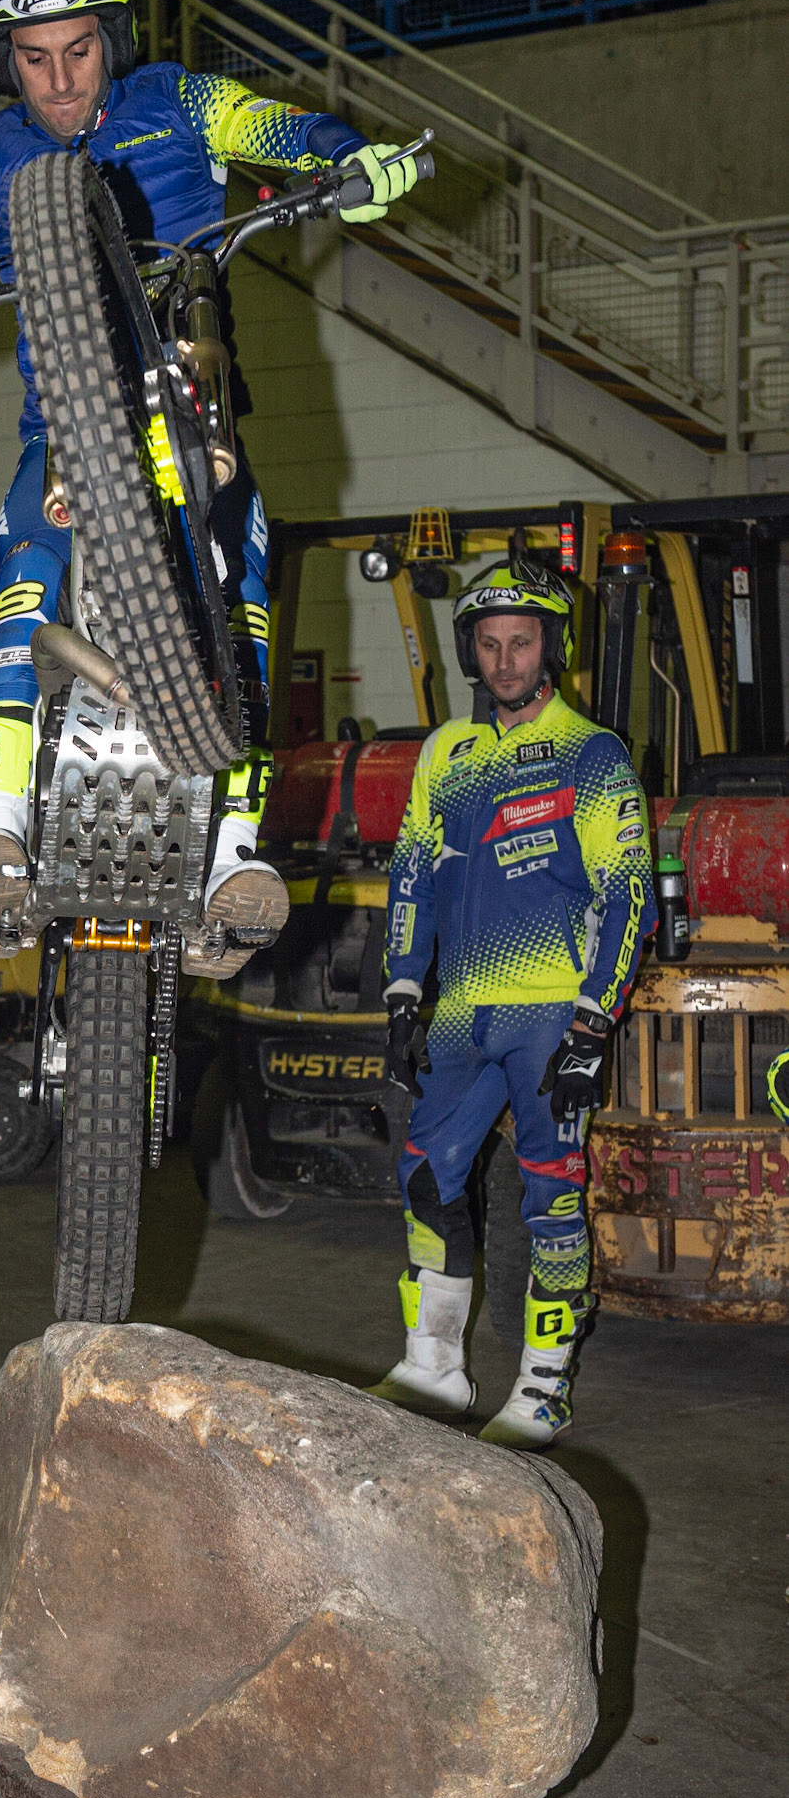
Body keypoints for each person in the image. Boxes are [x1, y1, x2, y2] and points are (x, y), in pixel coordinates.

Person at [0, 0, 424, 972]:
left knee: (246, 586)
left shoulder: (179, 102)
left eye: (77, 50)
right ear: (4, 61)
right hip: (63, 432)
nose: (59, 81)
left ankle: (233, 859)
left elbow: (277, 126)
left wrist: (352, 158)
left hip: (191, 412)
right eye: (32, 58)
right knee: (23, 578)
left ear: (108, 40)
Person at [375, 557, 656, 1447]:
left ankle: (542, 1389)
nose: (504, 661)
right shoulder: (443, 755)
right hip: (460, 1015)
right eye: (489, 644)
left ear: (551, 648)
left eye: (521, 642)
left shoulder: (592, 753)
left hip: (549, 1017)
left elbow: (628, 894)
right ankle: (434, 1367)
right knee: (426, 1178)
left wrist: (592, 1024)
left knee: (551, 1199)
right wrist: (402, 993)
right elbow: (411, 876)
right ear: (470, 651)